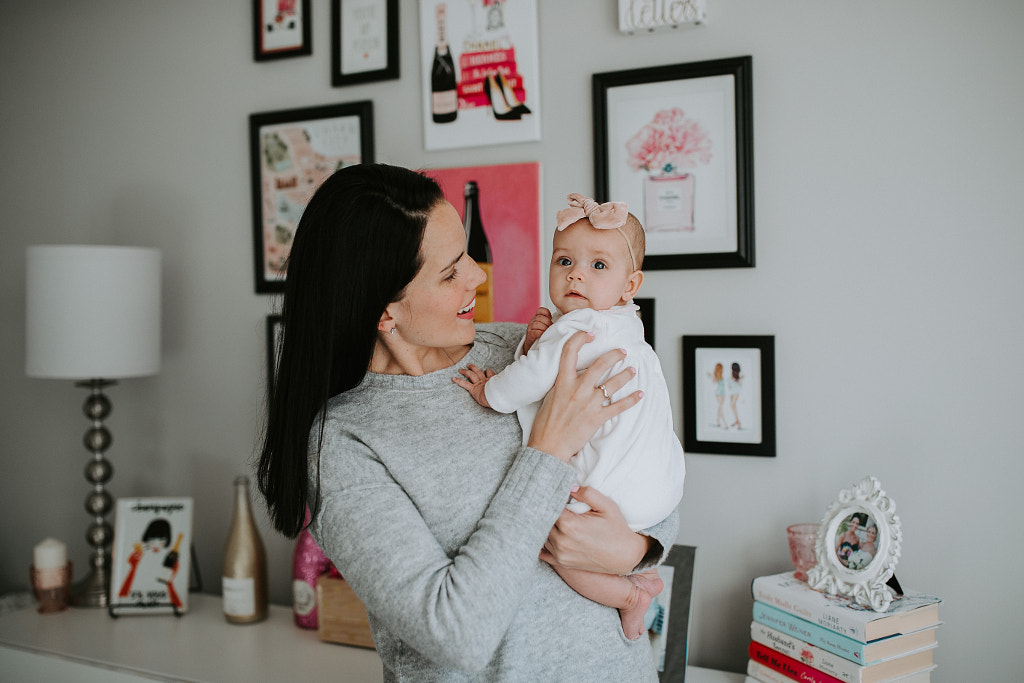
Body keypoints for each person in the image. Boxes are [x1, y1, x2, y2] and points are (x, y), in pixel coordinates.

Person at [256, 164, 678, 681]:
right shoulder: (342, 445)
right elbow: (455, 634)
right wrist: (545, 453)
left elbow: (644, 468)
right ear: (384, 313)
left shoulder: (519, 350)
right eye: (452, 270)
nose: (479, 277)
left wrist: (637, 549)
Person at [454, 193, 685, 640]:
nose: (576, 273)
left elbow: (529, 381)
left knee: (552, 538)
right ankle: (636, 576)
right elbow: (549, 368)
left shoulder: (577, 327)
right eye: (564, 260)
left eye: (598, 265)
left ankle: (629, 596)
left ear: (629, 285)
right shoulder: (627, 326)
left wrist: (488, 391)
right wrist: (535, 344)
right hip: (663, 487)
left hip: (612, 492)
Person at [709, 363, 726, 428]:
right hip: (718, 393)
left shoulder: (721, 376)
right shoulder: (716, 376)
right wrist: (712, 376)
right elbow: (714, 382)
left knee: (720, 407)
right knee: (720, 407)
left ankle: (718, 420)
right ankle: (724, 422)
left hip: (723, 393)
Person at [727, 362, 743, 429]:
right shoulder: (733, 376)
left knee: (733, 405)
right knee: (733, 406)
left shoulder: (738, 377)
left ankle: (738, 422)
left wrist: (735, 381)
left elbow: (739, 386)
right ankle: (737, 420)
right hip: (732, 393)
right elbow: (730, 385)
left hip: (735, 393)